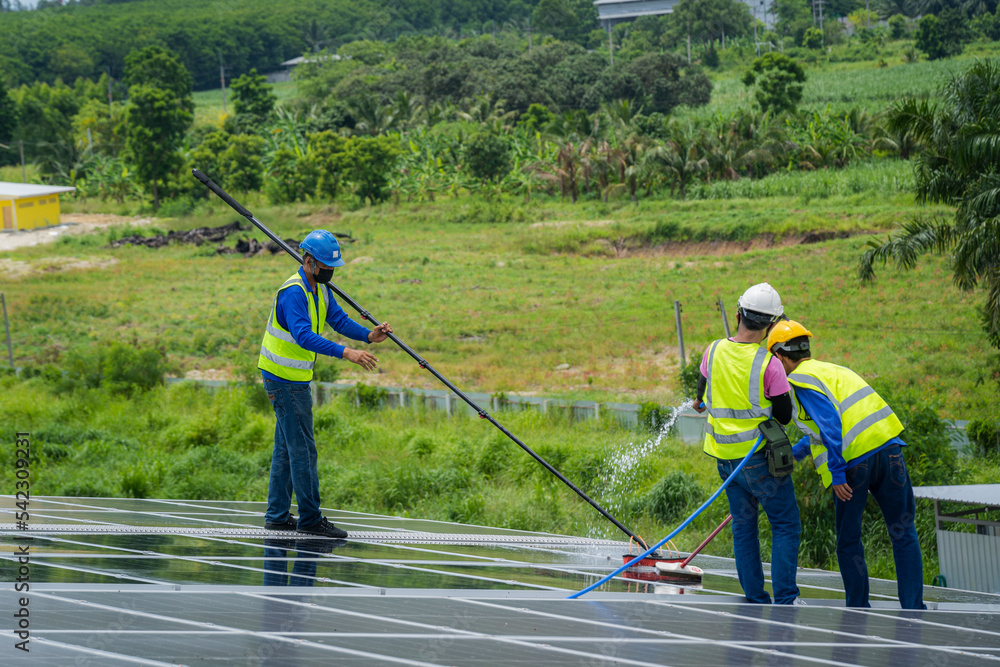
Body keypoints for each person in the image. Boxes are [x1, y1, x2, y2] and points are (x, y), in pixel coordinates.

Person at [766, 320, 925, 609]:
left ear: (778, 357)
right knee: (903, 533)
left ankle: (858, 610)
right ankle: (914, 610)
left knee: (848, 541)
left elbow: (831, 425)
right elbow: (827, 427)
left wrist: (837, 473)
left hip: (854, 466)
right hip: (889, 451)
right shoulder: (834, 370)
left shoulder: (800, 381)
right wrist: (797, 454)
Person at [258, 229, 392, 538]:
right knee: (303, 448)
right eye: (325, 267)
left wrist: (369, 336)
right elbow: (304, 336)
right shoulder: (293, 293)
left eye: (333, 267)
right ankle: (310, 519)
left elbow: (339, 320)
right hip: (283, 380)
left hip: (294, 378)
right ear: (308, 262)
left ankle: (277, 515)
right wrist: (347, 353)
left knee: (286, 448)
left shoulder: (319, 289)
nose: (330, 272)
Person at [693, 283, 801, 605]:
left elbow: (700, 397)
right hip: (758, 460)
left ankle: (755, 596)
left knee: (743, 526)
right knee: (785, 524)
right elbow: (782, 416)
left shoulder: (712, 351)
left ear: (738, 314)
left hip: (724, 460)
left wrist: (705, 401)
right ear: (771, 326)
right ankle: (785, 598)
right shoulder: (770, 364)